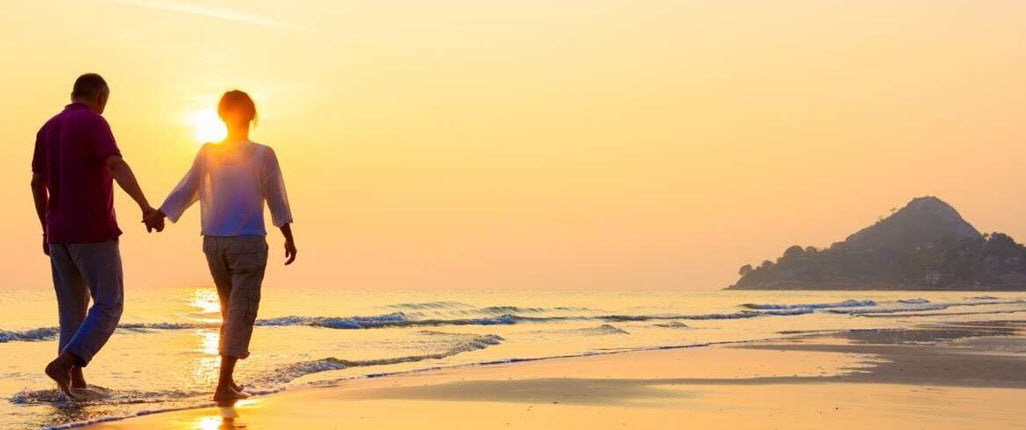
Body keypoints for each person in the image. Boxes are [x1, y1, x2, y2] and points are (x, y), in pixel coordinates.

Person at [145, 90, 296, 406]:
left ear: (221, 116)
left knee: (231, 310)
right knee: (242, 311)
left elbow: (188, 187)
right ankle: (223, 384)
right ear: (252, 116)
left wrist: (161, 213)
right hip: (248, 242)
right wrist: (287, 234)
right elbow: (276, 196)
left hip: (214, 243)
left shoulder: (208, 152)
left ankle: (227, 380)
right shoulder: (262, 153)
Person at [30, 73, 164, 399]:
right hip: (92, 230)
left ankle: (74, 386)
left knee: (72, 312)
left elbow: (36, 183)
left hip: (59, 234)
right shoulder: (94, 123)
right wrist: (145, 206)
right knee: (109, 304)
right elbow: (115, 164)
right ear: (101, 97)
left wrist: (46, 228)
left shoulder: (47, 128)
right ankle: (66, 363)